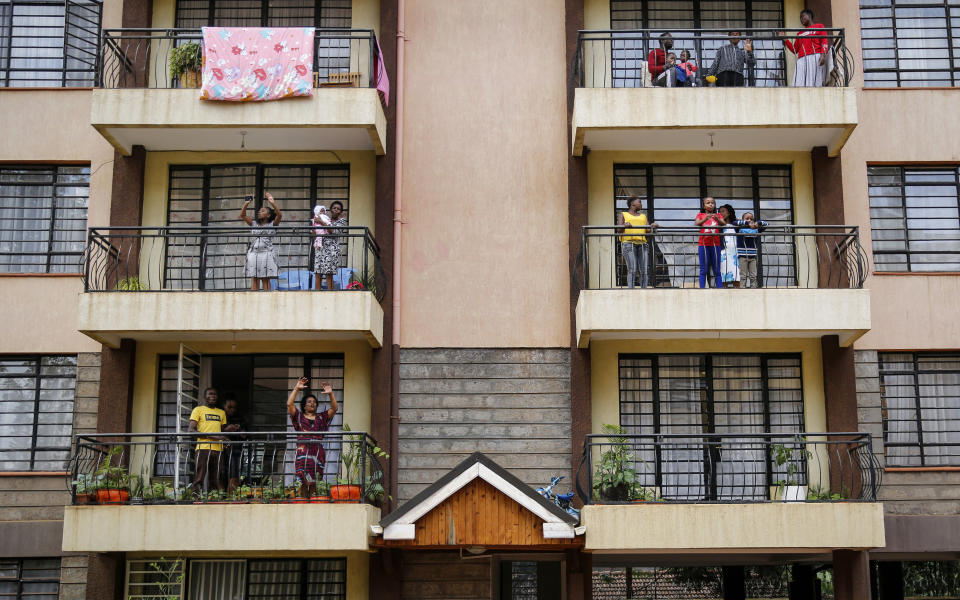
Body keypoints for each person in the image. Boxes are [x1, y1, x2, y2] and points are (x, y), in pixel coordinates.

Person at [286, 376, 338, 498]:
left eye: (314, 402)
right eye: (309, 402)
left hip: (317, 453)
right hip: (302, 452)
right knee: (302, 481)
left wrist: (330, 393)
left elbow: (334, 408)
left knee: (314, 481)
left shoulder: (321, 417)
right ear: (304, 406)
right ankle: (303, 502)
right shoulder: (299, 416)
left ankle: (313, 502)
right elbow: (289, 404)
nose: (312, 403)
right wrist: (297, 388)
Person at [240, 192, 282, 291]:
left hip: (267, 252)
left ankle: (267, 298)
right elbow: (242, 215)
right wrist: (246, 203)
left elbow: (279, 215)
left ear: (268, 215)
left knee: (265, 277)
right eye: (259, 211)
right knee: (254, 277)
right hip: (254, 252)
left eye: (262, 211)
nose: (259, 212)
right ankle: (254, 298)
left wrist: (272, 203)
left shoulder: (273, 224)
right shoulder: (254, 223)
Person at [189, 387, 226, 494]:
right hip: (203, 448)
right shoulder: (198, 410)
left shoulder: (221, 412)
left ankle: (212, 497)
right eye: (210, 394)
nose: (213, 396)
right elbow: (191, 430)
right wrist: (215, 437)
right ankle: (196, 496)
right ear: (205, 397)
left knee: (216, 477)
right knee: (200, 476)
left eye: (215, 394)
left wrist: (230, 431)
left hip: (218, 449)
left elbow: (222, 431)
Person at [616, 196, 659, 288]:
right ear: (633, 204)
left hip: (642, 245)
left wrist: (652, 226)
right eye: (639, 202)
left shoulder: (643, 216)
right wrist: (624, 225)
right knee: (632, 269)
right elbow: (619, 229)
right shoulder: (623, 214)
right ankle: (631, 291)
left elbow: (647, 230)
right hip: (628, 244)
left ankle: (644, 290)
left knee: (644, 269)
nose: (641, 204)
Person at [779, 10, 829, 87]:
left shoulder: (819, 26)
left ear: (809, 15)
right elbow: (794, 49)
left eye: (802, 16)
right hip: (802, 60)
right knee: (799, 83)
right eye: (800, 18)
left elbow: (824, 41)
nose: (801, 19)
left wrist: (823, 55)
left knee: (815, 82)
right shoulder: (800, 33)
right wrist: (785, 39)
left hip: (815, 57)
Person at [315, 201, 348, 291]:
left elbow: (332, 231)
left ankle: (330, 294)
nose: (336, 210)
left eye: (338, 209)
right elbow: (316, 231)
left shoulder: (342, 222)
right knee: (318, 273)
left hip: (332, 250)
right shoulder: (326, 219)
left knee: (329, 274)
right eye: (334, 208)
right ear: (331, 209)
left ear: (341, 212)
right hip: (321, 247)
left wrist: (321, 222)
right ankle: (317, 294)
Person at [220, 395, 248, 494]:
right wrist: (226, 430)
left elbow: (245, 435)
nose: (232, 410)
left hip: (236, 451)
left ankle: (231, 498)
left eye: (234, 407)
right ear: (224, 406)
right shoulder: (219, 416)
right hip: (220, 450)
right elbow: (213, 431)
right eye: (229, 407)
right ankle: (218, 498)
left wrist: (239, 430)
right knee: (220, 475)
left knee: (234, 475)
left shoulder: (240, 418)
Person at [695, 197, 725, 288]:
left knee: (717, 269)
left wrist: (717, 219)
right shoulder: (700, 214)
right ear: (704, 206)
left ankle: (720, 288)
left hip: (715, 244)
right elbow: (697, 224)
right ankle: (702, 289)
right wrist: (705, 219)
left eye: (712, 203)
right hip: (703, 245)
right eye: (708, 203)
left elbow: (723, 223)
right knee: (703, 269)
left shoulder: (718, 215)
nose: (711, 204)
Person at [734, 211, 768, 288]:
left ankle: (753, 288)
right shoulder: (739, 229)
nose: (749, 220)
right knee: (743, 275)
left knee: (753, 275)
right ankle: (742, 288)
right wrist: (746, 223)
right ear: (743, 220)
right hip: (742, 255)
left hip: (753, 256)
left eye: (751, 219)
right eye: (747, 218)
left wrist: (758, 223)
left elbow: (766, 224)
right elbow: (734, 222)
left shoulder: (756, 230)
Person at [718, 204, 741, 288]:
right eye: (719, 212)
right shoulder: (719, 226)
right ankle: (724, 292)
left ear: (729, 213)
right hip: (723, 252)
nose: (721, 213)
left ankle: (738, 292)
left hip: (735, 252)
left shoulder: (736, 224)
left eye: (723, 211)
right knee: (724, 272)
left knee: (736, 273)